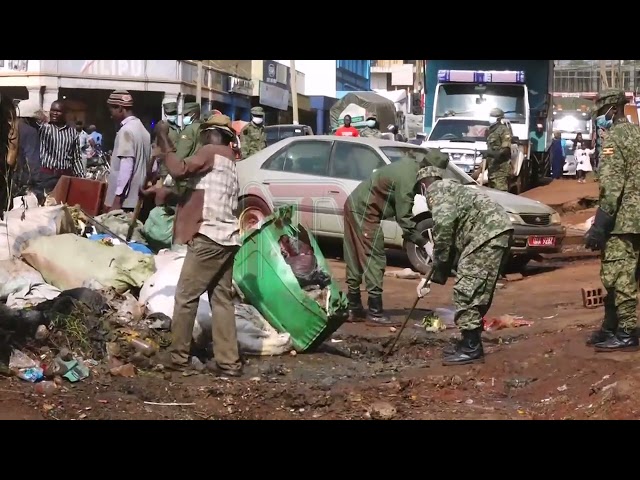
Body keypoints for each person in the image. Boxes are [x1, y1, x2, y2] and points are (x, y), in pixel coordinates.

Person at [151, 113, 243, 377]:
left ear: (213, 135)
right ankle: (229, 362)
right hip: (228, 238)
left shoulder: (210, 151)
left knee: (185, 297)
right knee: (221, 299)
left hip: (208, 237)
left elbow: (179, 169)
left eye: (205, 134)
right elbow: (201, 190)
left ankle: (179, 357)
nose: (202, 138)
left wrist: (164, 140)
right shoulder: (228, 160)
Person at [416, 166, 514, 365]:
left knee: (466, 290)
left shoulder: (437, 190)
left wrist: (439, 265)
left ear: (423, 186)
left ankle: (472, 348)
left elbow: (444, 228)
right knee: (477, 289)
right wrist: (435, 276)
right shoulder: (455, 189)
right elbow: (452, 238)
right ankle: (469, 341)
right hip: (496, 231)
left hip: (486, 234)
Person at [343, 149, 449, 326]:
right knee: (373, 257)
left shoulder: (411, 169)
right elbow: (404, 218)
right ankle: (374, 312)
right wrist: (424, 243)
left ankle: (354, 307)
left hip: (357, 205)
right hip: (364, 210)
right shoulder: (409, 177)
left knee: (355, 256)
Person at [584, 88, 640, 352]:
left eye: (600, 113)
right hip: (637, 218)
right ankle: (611, 326)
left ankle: (627, 331)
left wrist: (600, 226)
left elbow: (612, 187)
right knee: (627, 273)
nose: (599, 119)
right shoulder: (636, 134)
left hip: (623, 221)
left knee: (619, 276)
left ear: (611, 110)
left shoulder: (614, 140)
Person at [104, 90, 151, 213]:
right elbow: (154, 167)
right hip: (139, 199)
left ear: (120, 108)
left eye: (111, 111)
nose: (111, 115)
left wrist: (118, 197)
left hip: (126, 201)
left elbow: (126, 166)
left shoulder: (126, 131)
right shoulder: (143, 130)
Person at [32, 100, 84, 203]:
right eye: (52, 110)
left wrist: (81, 177)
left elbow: (76, 158)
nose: (54, 113)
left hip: (65, 176)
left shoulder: (72, 133)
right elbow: (33, 117)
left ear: (65, 114)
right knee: (45, 204)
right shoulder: (43, 129)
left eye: (58, 111)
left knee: (63, 205)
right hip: (46, 176)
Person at [13, 102, 41, 196]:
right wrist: (36, 182)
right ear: (29, 118)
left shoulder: (8, 128)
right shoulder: (30, 131)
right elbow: (32, 160)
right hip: (20, 180)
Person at [484, 108, 511, 191]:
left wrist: (491, 153)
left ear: (499, 119)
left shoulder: (504, 130)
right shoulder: (490, 131)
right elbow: (489, 151)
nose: (490, 118)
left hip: (500, 171)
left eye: (493, 116)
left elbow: (505, 150)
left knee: (500, 196)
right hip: (491, 171)